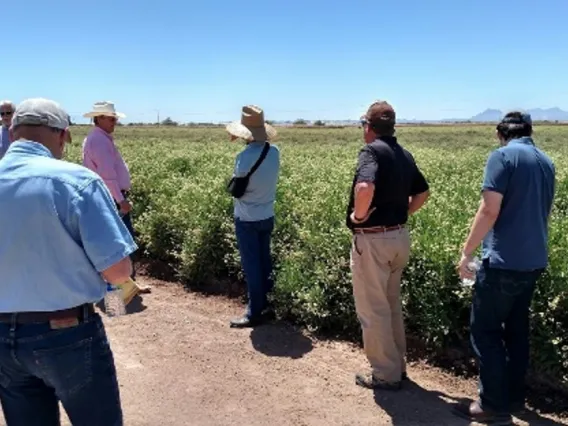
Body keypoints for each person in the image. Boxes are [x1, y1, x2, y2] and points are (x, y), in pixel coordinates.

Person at [0, 98, 137, 425]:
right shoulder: (75, 181)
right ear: (62, 135)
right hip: (66, 333)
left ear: (13, 131)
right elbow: (118, 271)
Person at [454, 112, 555, 424]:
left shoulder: (502, 157)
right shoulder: (545, 161)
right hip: (533, 261)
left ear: (500, 133)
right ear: (529, 131)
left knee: (485, 331)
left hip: (503, 262)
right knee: (516, 333)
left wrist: (466, 252)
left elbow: (489, 210)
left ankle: (490, 404)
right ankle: (513, 400)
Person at [347, 100, 430, 391]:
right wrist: (403, 213)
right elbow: (423, 192)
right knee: (391, 304)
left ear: (368, 127)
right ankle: (397, 367)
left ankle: (385, 373)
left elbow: (365, 187)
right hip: (398, 238)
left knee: (373, 308)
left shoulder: (371, 151)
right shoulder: (402, 153)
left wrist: (358, 216)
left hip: (373, 240)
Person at [82, 101, 150, 293]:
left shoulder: (96, 138)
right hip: (111, 198)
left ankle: (127, 288)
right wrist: (121, 200)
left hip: (106, 196)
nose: (115, 122)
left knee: (115, 244)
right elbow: (107, 175)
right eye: (112, 119)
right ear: (100, 118)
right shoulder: (100, 141)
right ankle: (118, 296)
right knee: (118, 246)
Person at [226, 105, 280, 328]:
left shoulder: (244, 157)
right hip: (267, 215)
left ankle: (254, 312)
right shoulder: (274, 152)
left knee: (252, 265)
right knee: (264, 260)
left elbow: (236, 186)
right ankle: (267, 305)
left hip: (247, 218)